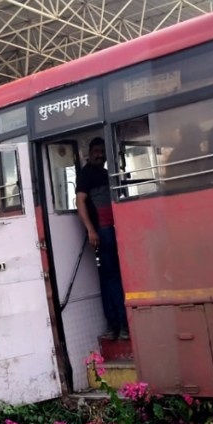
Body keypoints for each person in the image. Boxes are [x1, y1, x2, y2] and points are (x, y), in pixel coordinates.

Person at [75, 137, 129, 340]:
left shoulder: (107, 174)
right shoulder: (86, 174)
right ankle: (121, 324)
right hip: (102, 232)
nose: (100, 155)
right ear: (89, 153)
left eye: (102, 152)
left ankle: (116, 324)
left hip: (113, 230)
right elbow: (80, 202)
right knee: (112, 277)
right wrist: (91, 230)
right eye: (96, 151)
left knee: (111, 277)